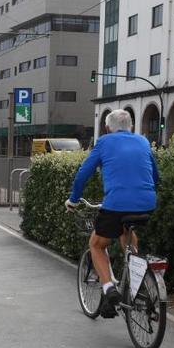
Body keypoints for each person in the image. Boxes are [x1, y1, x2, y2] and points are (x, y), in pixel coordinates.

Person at [65, 109, 159, 318]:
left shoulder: (105, 142)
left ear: (107, 128)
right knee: (125, 231)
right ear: (131, 127)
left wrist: (73, 199)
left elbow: (83, 174)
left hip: (116, 203)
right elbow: (156, 174)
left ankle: (109, 288)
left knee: (96, 245)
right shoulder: (143, 141)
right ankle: (137, 279)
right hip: (146, 203)